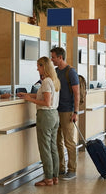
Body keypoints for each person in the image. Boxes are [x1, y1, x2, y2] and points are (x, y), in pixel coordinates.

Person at [17, 56, 60, 186]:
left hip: (45, 115)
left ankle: (47, 178)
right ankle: (54, 177)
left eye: (38, 66)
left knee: (45, 148)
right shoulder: (54, 80)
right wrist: (29, 95)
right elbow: (46, 96)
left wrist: (30, 100)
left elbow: (46, 102)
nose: (37, 69)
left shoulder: (46, 81)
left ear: (44, 67)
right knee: (52, 147)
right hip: (54, 115)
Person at [50, 47, 80, 181]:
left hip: (67, 111)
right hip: (56, 110)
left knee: (69, 141)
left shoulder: (71, 72)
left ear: (60, 57)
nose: (52, 59)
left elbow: (76, 93)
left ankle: (72, 170)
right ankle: (60, 168)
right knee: (57, 141)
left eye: (53, 57)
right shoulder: (55, 71)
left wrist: (76, 112)